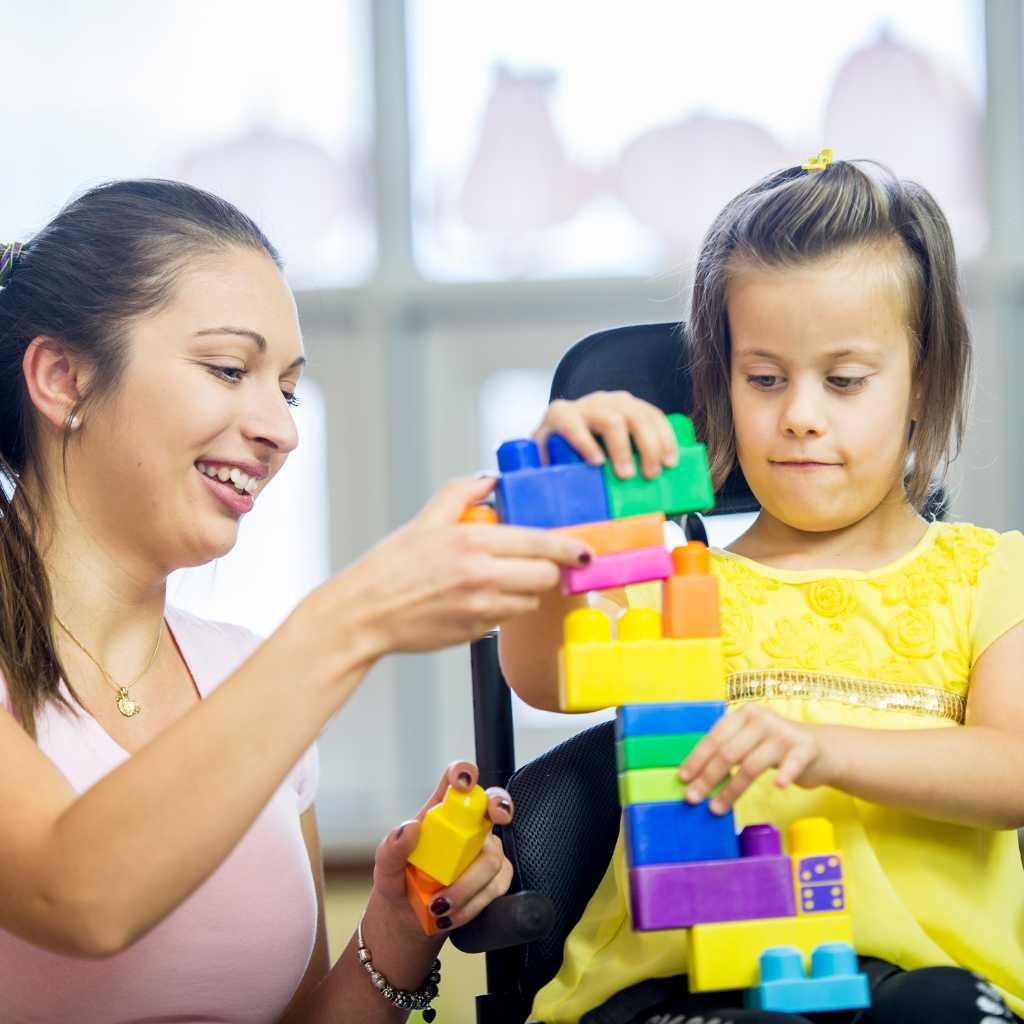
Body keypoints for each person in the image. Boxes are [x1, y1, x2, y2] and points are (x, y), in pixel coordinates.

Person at [0, 180, 594, 1023]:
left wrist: (397, 923)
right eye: (229, 369)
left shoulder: (241, 673)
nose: (282, 428)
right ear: (62, 377)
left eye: (284, 388)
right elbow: (78, 895)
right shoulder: (286, 675)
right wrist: (355, 613)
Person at [500, 159, 1024, 1024]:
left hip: (922, 989)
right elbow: (545, 675)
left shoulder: (988, 574)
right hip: (682, 991)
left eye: (845, 381)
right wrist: (554, 513)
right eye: (765, 379)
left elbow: (1012, 770)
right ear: (721, 385)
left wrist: (825, 747)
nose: (801, 416)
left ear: (921, 382)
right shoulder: (674, 580)